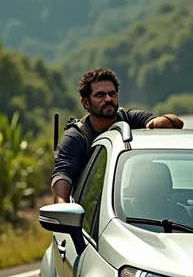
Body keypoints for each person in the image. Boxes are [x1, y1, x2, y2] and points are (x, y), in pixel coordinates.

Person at [51, 67, 184, 203]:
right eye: (100, 95)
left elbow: (176, 123)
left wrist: (161, 122)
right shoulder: (76, 137)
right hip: (95, 211)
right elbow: (62, 175)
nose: (108, 99)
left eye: (112, 93)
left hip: (141, 202)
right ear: (86, 102)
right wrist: (62, 209)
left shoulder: (132, 118)